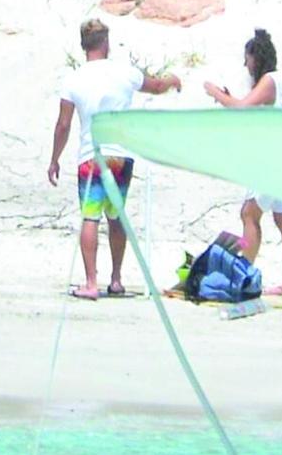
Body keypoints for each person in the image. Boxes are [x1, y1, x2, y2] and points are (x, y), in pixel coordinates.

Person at [48, 19, 182, 300]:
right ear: (106, 43)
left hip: (91, 155)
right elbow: (156, 86)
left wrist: (54, 159)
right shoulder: (125, 71)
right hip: (122, 156)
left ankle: (91, 283)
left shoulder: (73, 78)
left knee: (90, 215)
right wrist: (172, 80)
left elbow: (63, 125)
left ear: (83, 46)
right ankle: (117, 279)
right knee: (115, 215)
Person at [203, 28, 282, 296]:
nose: (245, 65)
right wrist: (229, 98)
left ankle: (245, 272)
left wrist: (216, 94)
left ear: (255, 58)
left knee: (249, 213)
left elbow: (241, 107)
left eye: (247, 59)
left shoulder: (269, 81)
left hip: (272, 161)